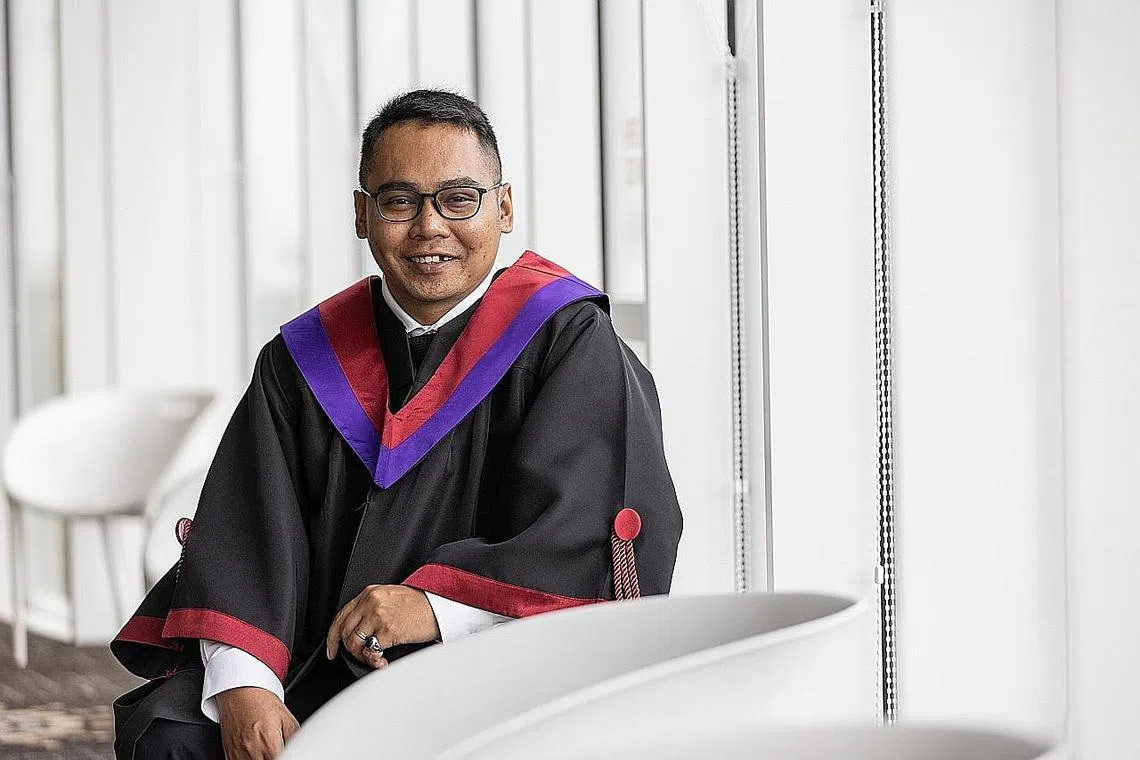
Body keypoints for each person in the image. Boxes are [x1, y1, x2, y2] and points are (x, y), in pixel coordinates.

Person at [110, 89, 682, 760]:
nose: (430, 226)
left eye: (459, 199)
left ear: (503, 207)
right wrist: (246, 687)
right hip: (314, 662)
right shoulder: (305, 359)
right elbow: (246, 530)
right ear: (362, 214)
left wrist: (431, 608)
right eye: (399, 201)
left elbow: (586, 529)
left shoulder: (567, 342)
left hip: (489, 665)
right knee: (174, 737)